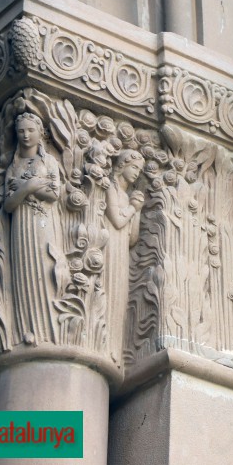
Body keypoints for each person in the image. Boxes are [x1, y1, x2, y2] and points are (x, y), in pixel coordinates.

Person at [4, 112, 61, 345]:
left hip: (41, 222)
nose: (26, 135)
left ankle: (49, 329)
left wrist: (26, 187)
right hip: (20, 224)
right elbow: (8, 204)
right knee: (23, 272)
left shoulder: (49, 162)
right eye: (21, 131)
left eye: (31, 130)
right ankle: (25, 329)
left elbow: (54, 194)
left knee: (43, 268)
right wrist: (29, 187)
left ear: (41, 134)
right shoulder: (14, 165)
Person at [105, 149, 145, 353]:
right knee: (108, 291)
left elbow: (132, 239)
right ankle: (103, 340)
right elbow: (118, 221)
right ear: (122, 165)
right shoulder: (110, 188)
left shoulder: (125, 195)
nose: (137, 172)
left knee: (119, 297)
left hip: (121, 250)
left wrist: (136, 212)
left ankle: (113, 345)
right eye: (134, 167)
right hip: (109, 248)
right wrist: (132, 208)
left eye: (140, 169)